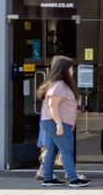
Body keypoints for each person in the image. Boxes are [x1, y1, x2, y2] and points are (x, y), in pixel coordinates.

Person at [36, 56, 89, 187]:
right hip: (57, 123)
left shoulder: (58, 84)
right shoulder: (58, 85)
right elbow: (52, 105)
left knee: (52, 150)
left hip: (54, 122)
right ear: (64, 70)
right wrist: (59, 124)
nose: (72, 71)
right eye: (71, 68)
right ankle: (73, 179)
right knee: (66, 150)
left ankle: (48, 177)